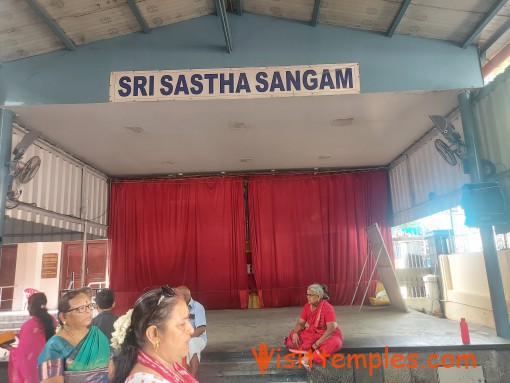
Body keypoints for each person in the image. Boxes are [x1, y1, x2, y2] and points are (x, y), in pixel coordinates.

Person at [111, 285, 198, 383]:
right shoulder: (145, 380)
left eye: (188, 320)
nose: (191, 330)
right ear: (153, 334)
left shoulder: (171, 366)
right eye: (182, 324)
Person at [38, 289, 111, 382]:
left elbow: (110, 371)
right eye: (81, 308)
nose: (88, 311)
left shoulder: (98, 336)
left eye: (89, 306)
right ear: (63, 317)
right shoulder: (54, 346)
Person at [0, 292, 57, 383]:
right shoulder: (52, 320)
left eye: (28, 304)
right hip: (53, 371)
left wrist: (8, 347)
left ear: (34, 306)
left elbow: (25, 355)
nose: (27, 307)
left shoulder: (29, 326)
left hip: (35, 375)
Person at [284, 283, 343, 370]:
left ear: (318, 296)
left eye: (310, 295)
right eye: (307, 295)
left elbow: (331, 329)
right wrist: (296, 332)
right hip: (314, 332)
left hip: (328, 334)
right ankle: (309, 352)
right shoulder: (307, 306)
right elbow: (300, 323)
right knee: (293, 336)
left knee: (335, 343)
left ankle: (309, 358)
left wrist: (316, 344)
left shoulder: (328, 308)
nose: (307, 297)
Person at [175, 286, 207, 377]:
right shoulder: (176, 308)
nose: (174, 298)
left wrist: (187, 338)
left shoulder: (198, 307)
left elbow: (201, 329)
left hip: (197, 338)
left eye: (177, 295)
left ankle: (191, 378)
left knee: (192, 344)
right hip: (181, 337)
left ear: (184, 296)